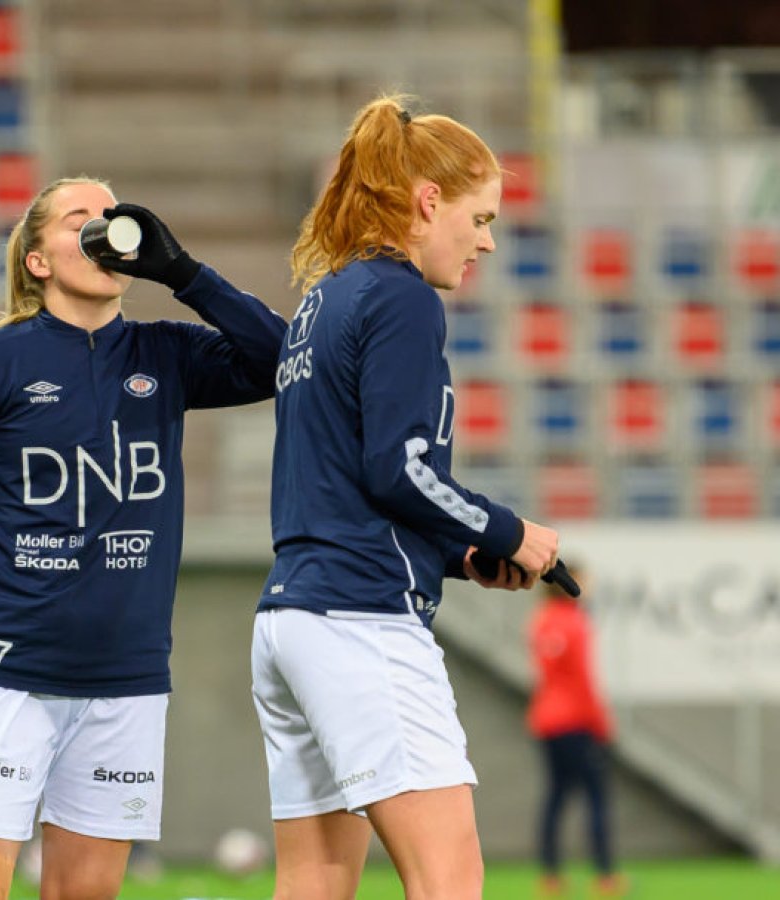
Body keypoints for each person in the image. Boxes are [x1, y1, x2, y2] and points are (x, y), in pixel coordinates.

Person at [0, 177, 287, 900]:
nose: (101, 229)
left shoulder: (166, 356)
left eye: (110, 217)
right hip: (0, 671)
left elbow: (282, 357)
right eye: (77, 220)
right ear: (37, 260)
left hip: (125, 680)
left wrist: (183, 272)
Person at [251, 94, 563, 900]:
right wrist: (508, 530)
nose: (487, 240)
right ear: (429, 202)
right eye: (480, 216)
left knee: (314, 884)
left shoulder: (328, 297)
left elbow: (350, 480)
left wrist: (462, 554)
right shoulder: (401, 297)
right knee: (450, 880)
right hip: (362, 622)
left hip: (292, 619)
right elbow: (401, 469)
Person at [528, 565, 624, 897]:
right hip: (576, 723)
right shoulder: (574, 622)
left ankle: (550, 875)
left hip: (546, 721)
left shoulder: (541, 620)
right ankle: (606, 875)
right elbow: (583, 681)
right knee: (596, 797)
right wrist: (602, 724)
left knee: (555, 796)